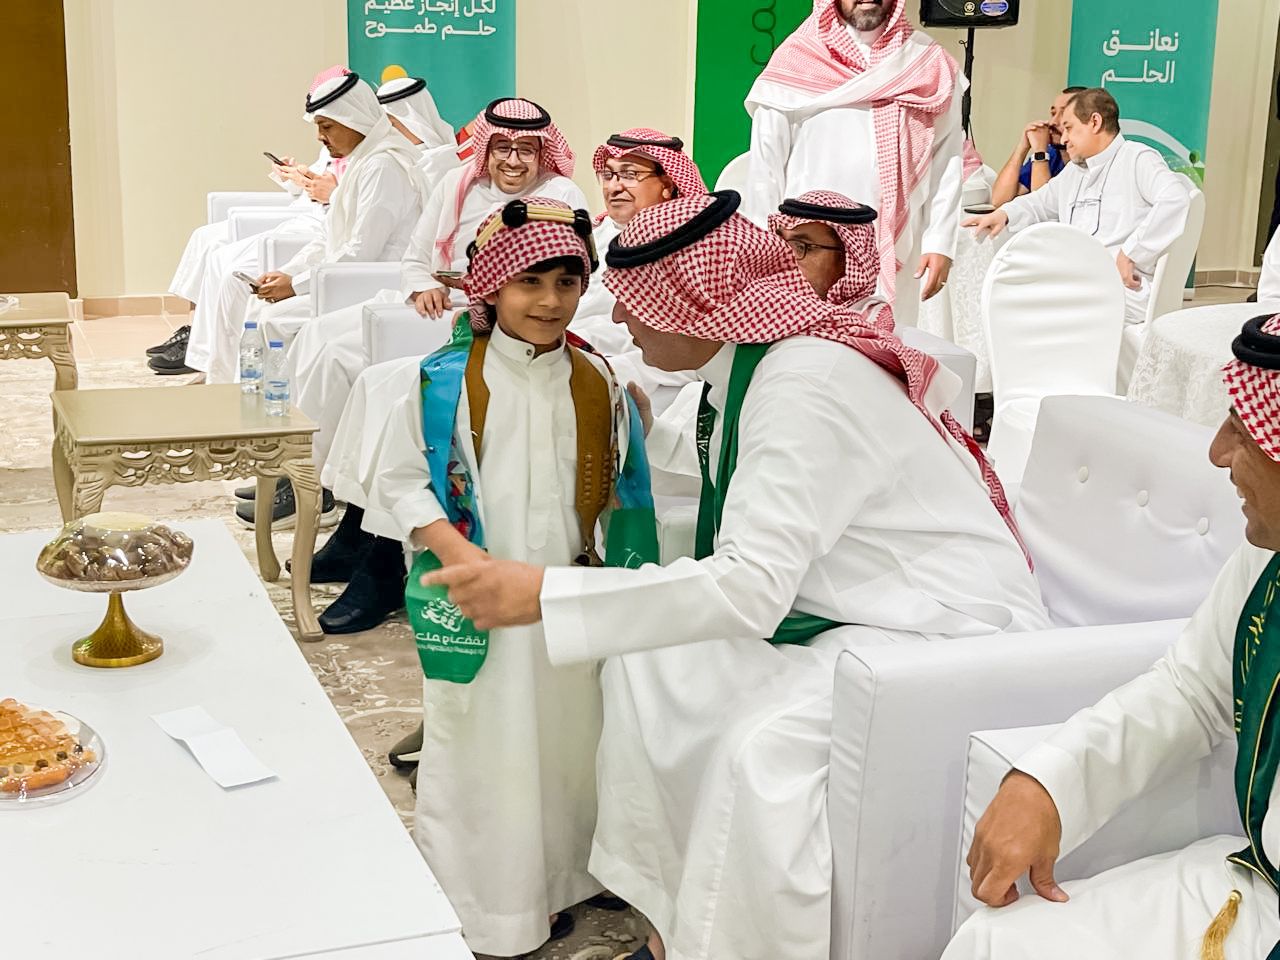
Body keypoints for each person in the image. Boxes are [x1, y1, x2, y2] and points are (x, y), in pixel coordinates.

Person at [418, 191, 1049, 960]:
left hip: (937, 632)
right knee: (646, 665)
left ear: (693, 307)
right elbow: (737, 484)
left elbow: (750, 586)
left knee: (757, 750)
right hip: (843, 608)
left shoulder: (801, 385)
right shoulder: (751, 369)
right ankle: (666, 917)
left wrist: (544, 594)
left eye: (635, 302)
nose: (621, 320)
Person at [367, 197, 658, 958]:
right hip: (476, 596)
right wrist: (464, 560)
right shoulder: (442, 381)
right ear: (492, 286)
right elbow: (399, 480)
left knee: (574, 739)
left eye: (568, 282)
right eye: (531, 281)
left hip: (565, 598)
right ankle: (495, 903)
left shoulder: (598, 377)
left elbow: (622, 491)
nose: (550, 301)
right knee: (484, 736)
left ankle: (568, 878)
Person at [943, 312, 1280, 960]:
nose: (1217, 453)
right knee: (995, 944)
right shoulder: (1267, 555)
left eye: (1243, 432)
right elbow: (1193, 690)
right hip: (1256, 889)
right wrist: (1051, 784)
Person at [257, 98, 587, 583]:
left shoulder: (560, 194)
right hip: (432, 304)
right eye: (502, 148)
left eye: (526, 150)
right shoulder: (458, 184)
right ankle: (312, 474)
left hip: (496, 317)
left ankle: (357, 526)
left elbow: (572, 272)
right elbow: (415, 258)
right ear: (487, 149)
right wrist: (421, 285)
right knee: (319, 338)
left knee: (367, 377)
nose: (513, 161)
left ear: (543, 152)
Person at [185, 73, 425, 384]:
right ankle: (237, 392)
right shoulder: (363, 160)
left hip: (375, 283)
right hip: (343, 277)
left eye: (327, 127)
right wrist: (288, 273)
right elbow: (329, 236)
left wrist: (296, 285)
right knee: (258, 305)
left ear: (354, 120)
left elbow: (360, 252)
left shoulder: (383, 166)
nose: (320, 137)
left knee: (274, 319)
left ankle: (279, 403)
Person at [743, 0, 966, 326]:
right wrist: (765, 249)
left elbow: (947, 158)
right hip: (807, 248)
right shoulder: (796, 60)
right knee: (808, 346)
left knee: (885, 345)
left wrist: (940, 242)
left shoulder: (928, 64)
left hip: (893, 246)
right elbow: (765, 167)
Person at [153, 65, 350, 374]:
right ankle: (201, 343)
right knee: (209, 243)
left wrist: (329, 194)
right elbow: (319, 182)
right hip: (313, 217)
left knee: (229, 267)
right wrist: (294, 175)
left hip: (318, 224)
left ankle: (210, 355)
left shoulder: (379, 159)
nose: (320, 135)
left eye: (325, 125)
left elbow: (353, 231)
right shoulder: (339, 145)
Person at [964, 87, 1191, 326]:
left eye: (1069, 128)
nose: (1063, 139)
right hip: (1081, 281)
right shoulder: (1075, 171)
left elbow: (1175, 199)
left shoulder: (1137, 158)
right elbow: (1038, 202)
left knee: (1030, 300)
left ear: (1095, 122)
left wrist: (1131, 252)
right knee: (1010, 286)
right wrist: (1003, 214)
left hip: (1123, 287)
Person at [571, 127, 709, 406]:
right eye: (608, 175)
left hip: (648, 386)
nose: (613, 187)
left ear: (668, 183)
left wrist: (584, 352)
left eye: (630, 175)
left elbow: (684, 342)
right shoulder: (590, 234)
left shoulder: (689, 246)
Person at [989, 86, 1084, 208]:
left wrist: (1040, 152)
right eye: (1053, 113)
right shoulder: (1051, 153)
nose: (1053, 122)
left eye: (1064, 115)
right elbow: (999, 200)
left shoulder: (1085, 160)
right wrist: (1022, 147)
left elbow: (1043, 207)